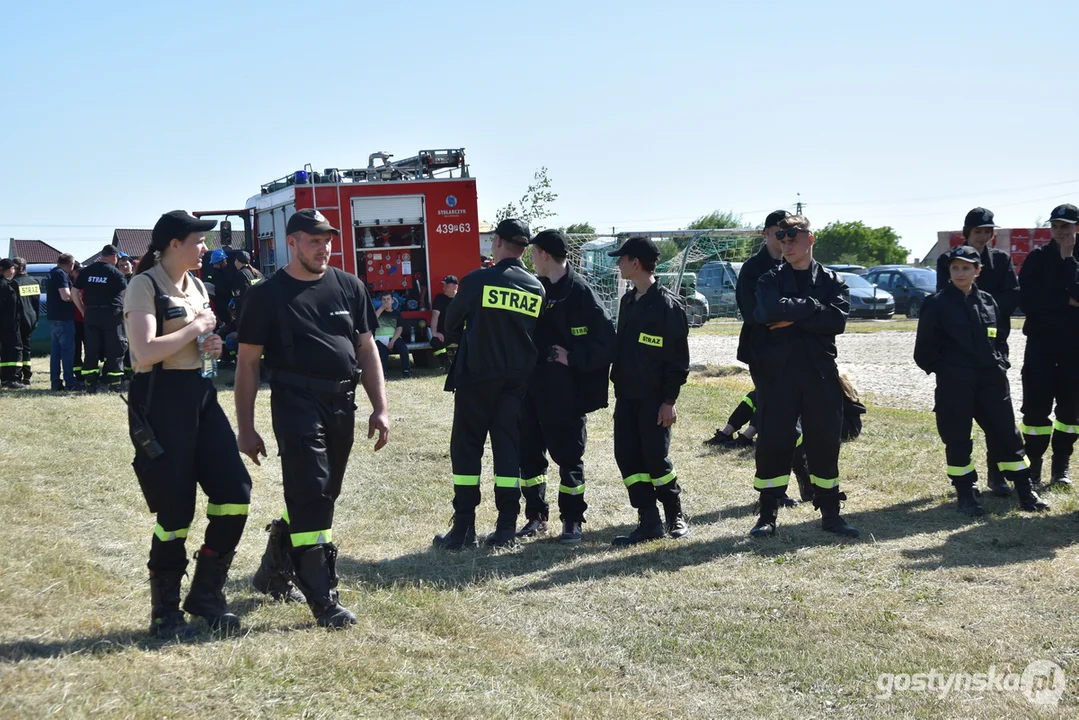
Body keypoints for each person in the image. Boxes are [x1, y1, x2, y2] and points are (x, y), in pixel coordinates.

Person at [236, 208, 389, 629]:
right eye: (314, 241)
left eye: (328, 241)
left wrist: (381, 406)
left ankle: (272, 569)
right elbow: (247, 363)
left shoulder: (349, 286)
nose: (324, 248)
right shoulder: (265, 295)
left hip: (342, 404)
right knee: (314, 493)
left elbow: (366, 349)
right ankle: (323, 597)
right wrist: (245, 428)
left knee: (322, 493)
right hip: (295, 403)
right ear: (292, 242)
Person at [124, 210, 253, 638]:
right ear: (173, 244)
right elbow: (144, 353)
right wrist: (197, 326)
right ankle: (165, 610)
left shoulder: (197, 285)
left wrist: (209, 344)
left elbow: (197, 345)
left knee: (235, 491)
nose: (205, 248)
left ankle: (206, 594)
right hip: (162, 401)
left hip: (200, 395)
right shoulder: (144, 285)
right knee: (176, 509)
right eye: (199, 241)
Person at [433, 218, 546, 550]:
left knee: (467, 450)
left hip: (476, 379)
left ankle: (464, 529)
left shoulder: (478, 280)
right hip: (515, 383)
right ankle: (506, 527)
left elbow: (451, 324)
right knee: (507, 450)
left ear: (497, 242)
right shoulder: (536, 287)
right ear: (525, 248)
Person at [915, 245, 1049, 516]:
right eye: (955, 268)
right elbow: (924, 352)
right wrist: (950, 371)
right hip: (956, 384)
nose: (960, 273)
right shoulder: (936, 303)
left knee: (1008, 437)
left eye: (966, 268)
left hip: (991, 382)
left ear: (978, 271)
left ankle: (1025, 492)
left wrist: (1000, 364)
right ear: (948, 270)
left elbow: (999, 339)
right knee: (958, 439)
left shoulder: (988, 300)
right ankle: (966, 494)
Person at [750, 215, 858, 538]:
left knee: (824, 444)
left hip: (820, 375)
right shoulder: (769, 280)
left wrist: (794, 314)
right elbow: (767, 312)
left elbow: (836, 320)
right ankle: (767, 515)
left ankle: (830, 514)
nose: (786, 244)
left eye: (793, 237)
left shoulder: (833, 282)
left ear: (810, 239)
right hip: (779, 376)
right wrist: (813, 309)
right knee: (773, 444)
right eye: (781, 239)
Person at [516, 230, 617, 544]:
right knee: (529, 457)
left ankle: (572, 519)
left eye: (534, 253)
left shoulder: (581, 292)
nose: (531, 259)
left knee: (569, 458)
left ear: (544, 254)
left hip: (565, 393)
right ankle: (535, 515)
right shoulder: (536, 289)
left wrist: (573, 358)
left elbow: (608, 343)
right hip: (531, 388)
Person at [608, 236, 691, 545]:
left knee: (656, 458)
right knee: (627, 457)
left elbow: (678, 360)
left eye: (622, 258)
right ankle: (648, 519)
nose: (618, 263)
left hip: (654, 398)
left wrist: (668, 401)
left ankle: (674, 514)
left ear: (636, 262)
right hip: (626, 396)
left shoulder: (669, 305)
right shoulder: (627, 301)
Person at [935, 207, 1020, 498]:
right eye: (977, 232)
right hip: (958, 356)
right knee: (960, 421)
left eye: (987, 232)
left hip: (992, 349)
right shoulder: (950, 259)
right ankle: (965, 482)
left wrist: (982, 305)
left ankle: (998, 476)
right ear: (967, 233)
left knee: (998, 418)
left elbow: (1012, 296)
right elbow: (941, 299)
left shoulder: (1001, 260)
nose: (983, 237)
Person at [1018, 203, 1079, 489]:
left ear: (1077, 227)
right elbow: (1028, 302)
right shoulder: (1037, 258)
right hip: (1041, 343)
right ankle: (1033, 467)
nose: (1059, 231)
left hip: (1074, 347)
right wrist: (1065, 301)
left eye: (1065, 226)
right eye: (1055, 226)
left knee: (1070, 411)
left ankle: (1061, 467)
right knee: (1035, 410)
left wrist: (1069, 261)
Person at [73, 244, 128, 392]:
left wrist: (83, 310)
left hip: (91, 314)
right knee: (115, 348)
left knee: (91, 348)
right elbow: (125, 295)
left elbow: (74, 292)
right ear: (114, 256)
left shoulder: (87, 271)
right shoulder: (116, 273)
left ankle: (90, 383)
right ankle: (115, 383)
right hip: (112, 314)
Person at [47, 253, 78, 391]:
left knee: (56, 353)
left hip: (53, 318)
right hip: (64, 318)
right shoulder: (61, 274)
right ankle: (70, 382)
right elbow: (65, 296)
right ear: (71, 264)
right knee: (67, 352)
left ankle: (55, 382)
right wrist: (78, 296)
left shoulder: (53, 273)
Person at [11, 258, 40, 386]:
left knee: (16, 349)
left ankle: (16, 375)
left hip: (16, 320)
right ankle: (27, 375)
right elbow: (36, 303)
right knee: (26, 348)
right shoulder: (34, 282)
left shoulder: (12, 283)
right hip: (30, 319)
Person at [373, 290, 411, 379]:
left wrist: (393, 341)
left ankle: (406, 372)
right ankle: (383, 374)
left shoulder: (397, 314)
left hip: (393, 338)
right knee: (383, 352)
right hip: (379, 339)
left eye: (388, 299)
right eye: (384, 300)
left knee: (403, 348)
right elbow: (372, 321)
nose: (386, 301)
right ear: (381, 301)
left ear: (392, 301)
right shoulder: (377, 312)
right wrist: (382, 308)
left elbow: (399, 328)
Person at [0, 259, 24, 389]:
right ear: (10, 270)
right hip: (9, 325)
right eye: (13, 269)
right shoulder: (5, 285)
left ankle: (5, 378)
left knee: (6, 351)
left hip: (6, 324)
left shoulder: (8, 284)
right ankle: (13, 379)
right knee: (15, 350)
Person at [429, 275, 458, 370]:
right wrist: (434, 333)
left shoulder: (462, 299)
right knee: (435, 341)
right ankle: (447, 364)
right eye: (443, 285)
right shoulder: (439, 298)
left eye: (447, 286)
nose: (444, 288)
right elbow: (435, 315)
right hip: (445, 333)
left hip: (460, 332)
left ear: (455, 287)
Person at [231, 250, 262, 319]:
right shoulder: (258, 273)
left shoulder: (241, 275)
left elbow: (240, 298)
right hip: (261, 312)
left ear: (238, 261)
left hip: (248, 316)